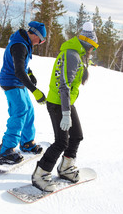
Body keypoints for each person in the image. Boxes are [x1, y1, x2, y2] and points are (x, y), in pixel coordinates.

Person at [32, 22, 99, 192]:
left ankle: (65, 168)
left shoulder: (78, 54)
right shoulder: (72, 55)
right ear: (87, 43)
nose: (93, 49)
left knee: (76, 136)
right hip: (58, 103)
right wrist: (66, 113)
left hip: (66, 102)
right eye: (93, 46)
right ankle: (40, 174)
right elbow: (64, 84)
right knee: (61, 142)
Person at [0, 21, 47, 164]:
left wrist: (30, 73)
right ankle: (6, 149)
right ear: (35, 35)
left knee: (29, 110)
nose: (40, 43)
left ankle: (27, 142)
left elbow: (21, 65)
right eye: (41, 40)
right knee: (20, 111)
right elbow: (18, 71)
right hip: (11, 81)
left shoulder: (23, 42)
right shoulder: (19, 45)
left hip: (17, 81)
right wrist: (35, 90)